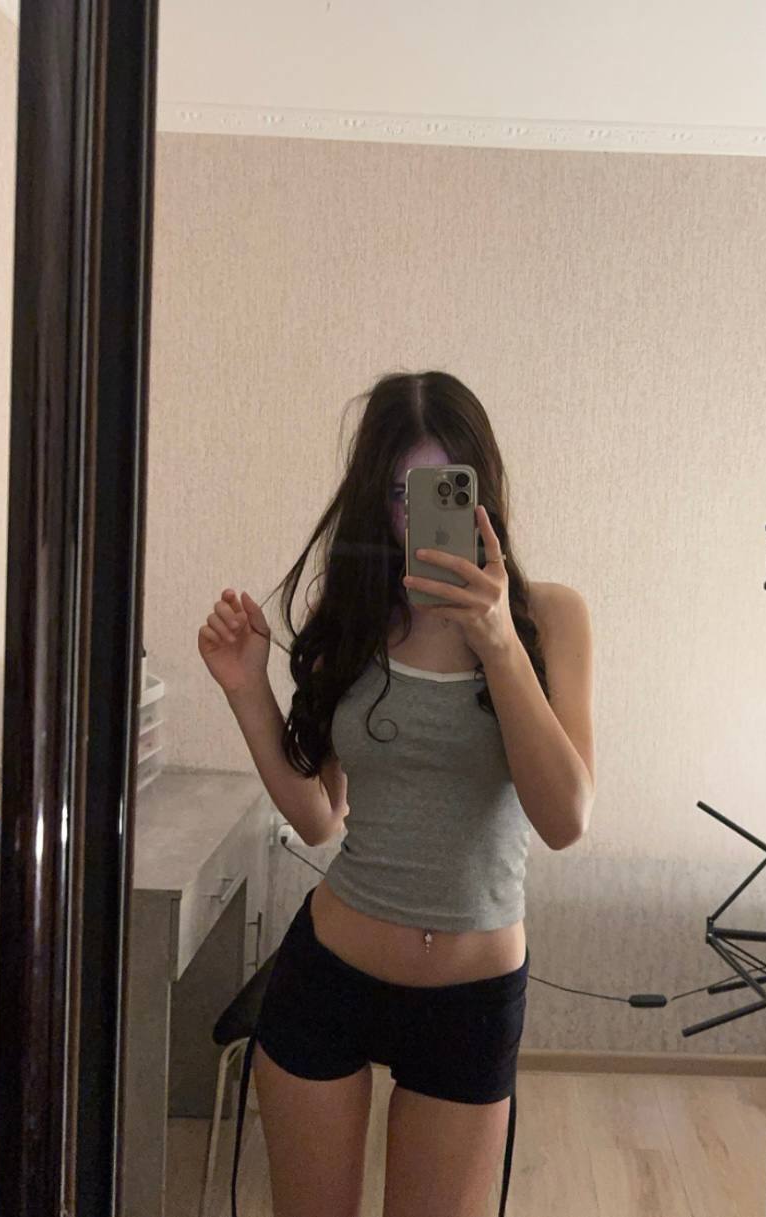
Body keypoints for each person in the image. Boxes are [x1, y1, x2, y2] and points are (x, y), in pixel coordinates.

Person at [198, 370, 595, 1217]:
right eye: (400, 493)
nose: (421, 517)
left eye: (445, 487)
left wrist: (497, 642)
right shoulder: (355, 618)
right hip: (329, 978)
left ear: (482, 491)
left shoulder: (549, 619)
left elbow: (565, 817)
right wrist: (245, 687)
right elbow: (318, 816)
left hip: (471, 1003)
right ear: (374, 500)